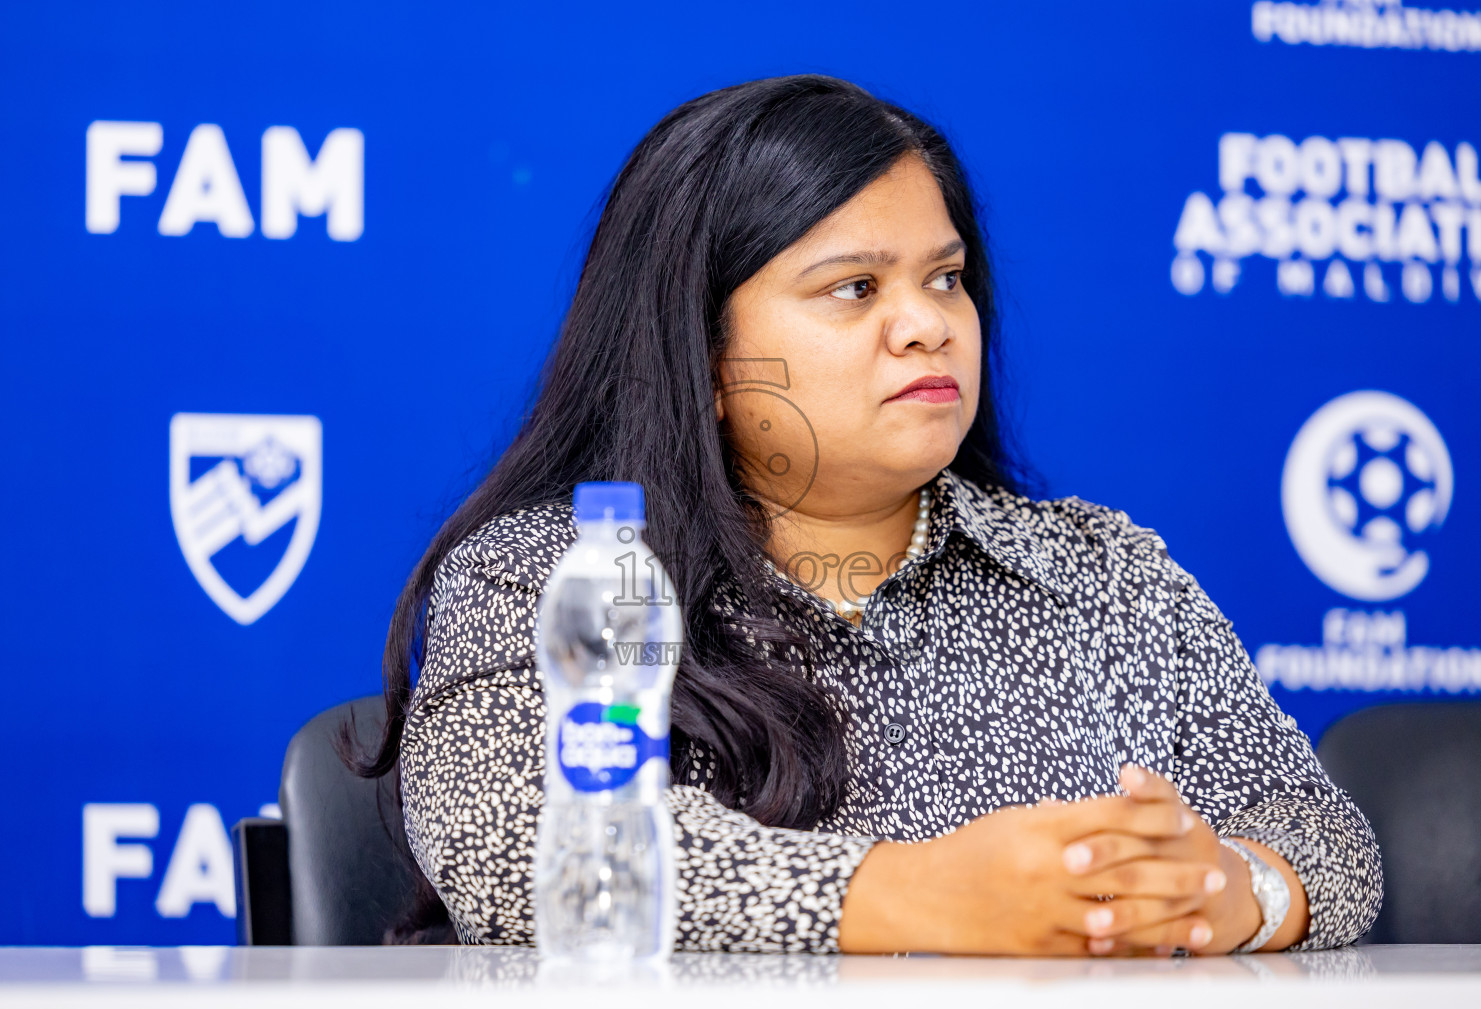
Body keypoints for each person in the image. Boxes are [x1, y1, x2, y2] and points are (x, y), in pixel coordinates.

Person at [348, 74, 1382, 955]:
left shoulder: (1101, 571)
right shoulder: (552, 576)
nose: (927, 324)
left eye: (946, 278)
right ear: (700, 356)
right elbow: (515, 843)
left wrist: (1241, 893)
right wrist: (919, 895)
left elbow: (1322, 832)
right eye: (853, 288)